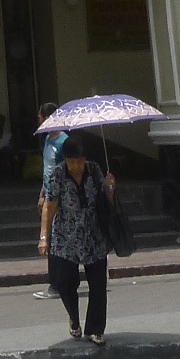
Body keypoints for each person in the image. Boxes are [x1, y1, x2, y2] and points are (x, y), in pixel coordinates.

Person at [39, 133, 116, 345]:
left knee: (99, 284)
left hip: (94, 234)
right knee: (65, 283)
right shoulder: (57, 175)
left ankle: (95, 329)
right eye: (72, 162)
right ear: (65, 160)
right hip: (66, 237)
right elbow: (50, 206)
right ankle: (73, 316)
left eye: (80, 161)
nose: (77, 166)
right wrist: (44, 237)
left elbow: (104, 198)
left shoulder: (94, 170)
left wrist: (110, 188)